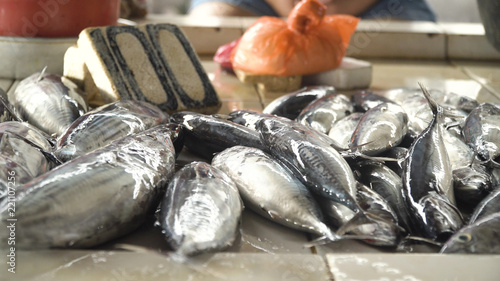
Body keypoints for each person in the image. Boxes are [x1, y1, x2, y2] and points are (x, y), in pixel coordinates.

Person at [188, 0, 436, 22]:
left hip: (375, 6)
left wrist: (336, 11)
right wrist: (293, 11)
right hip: (270, 6)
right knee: (212, 19)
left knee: (417, 37)